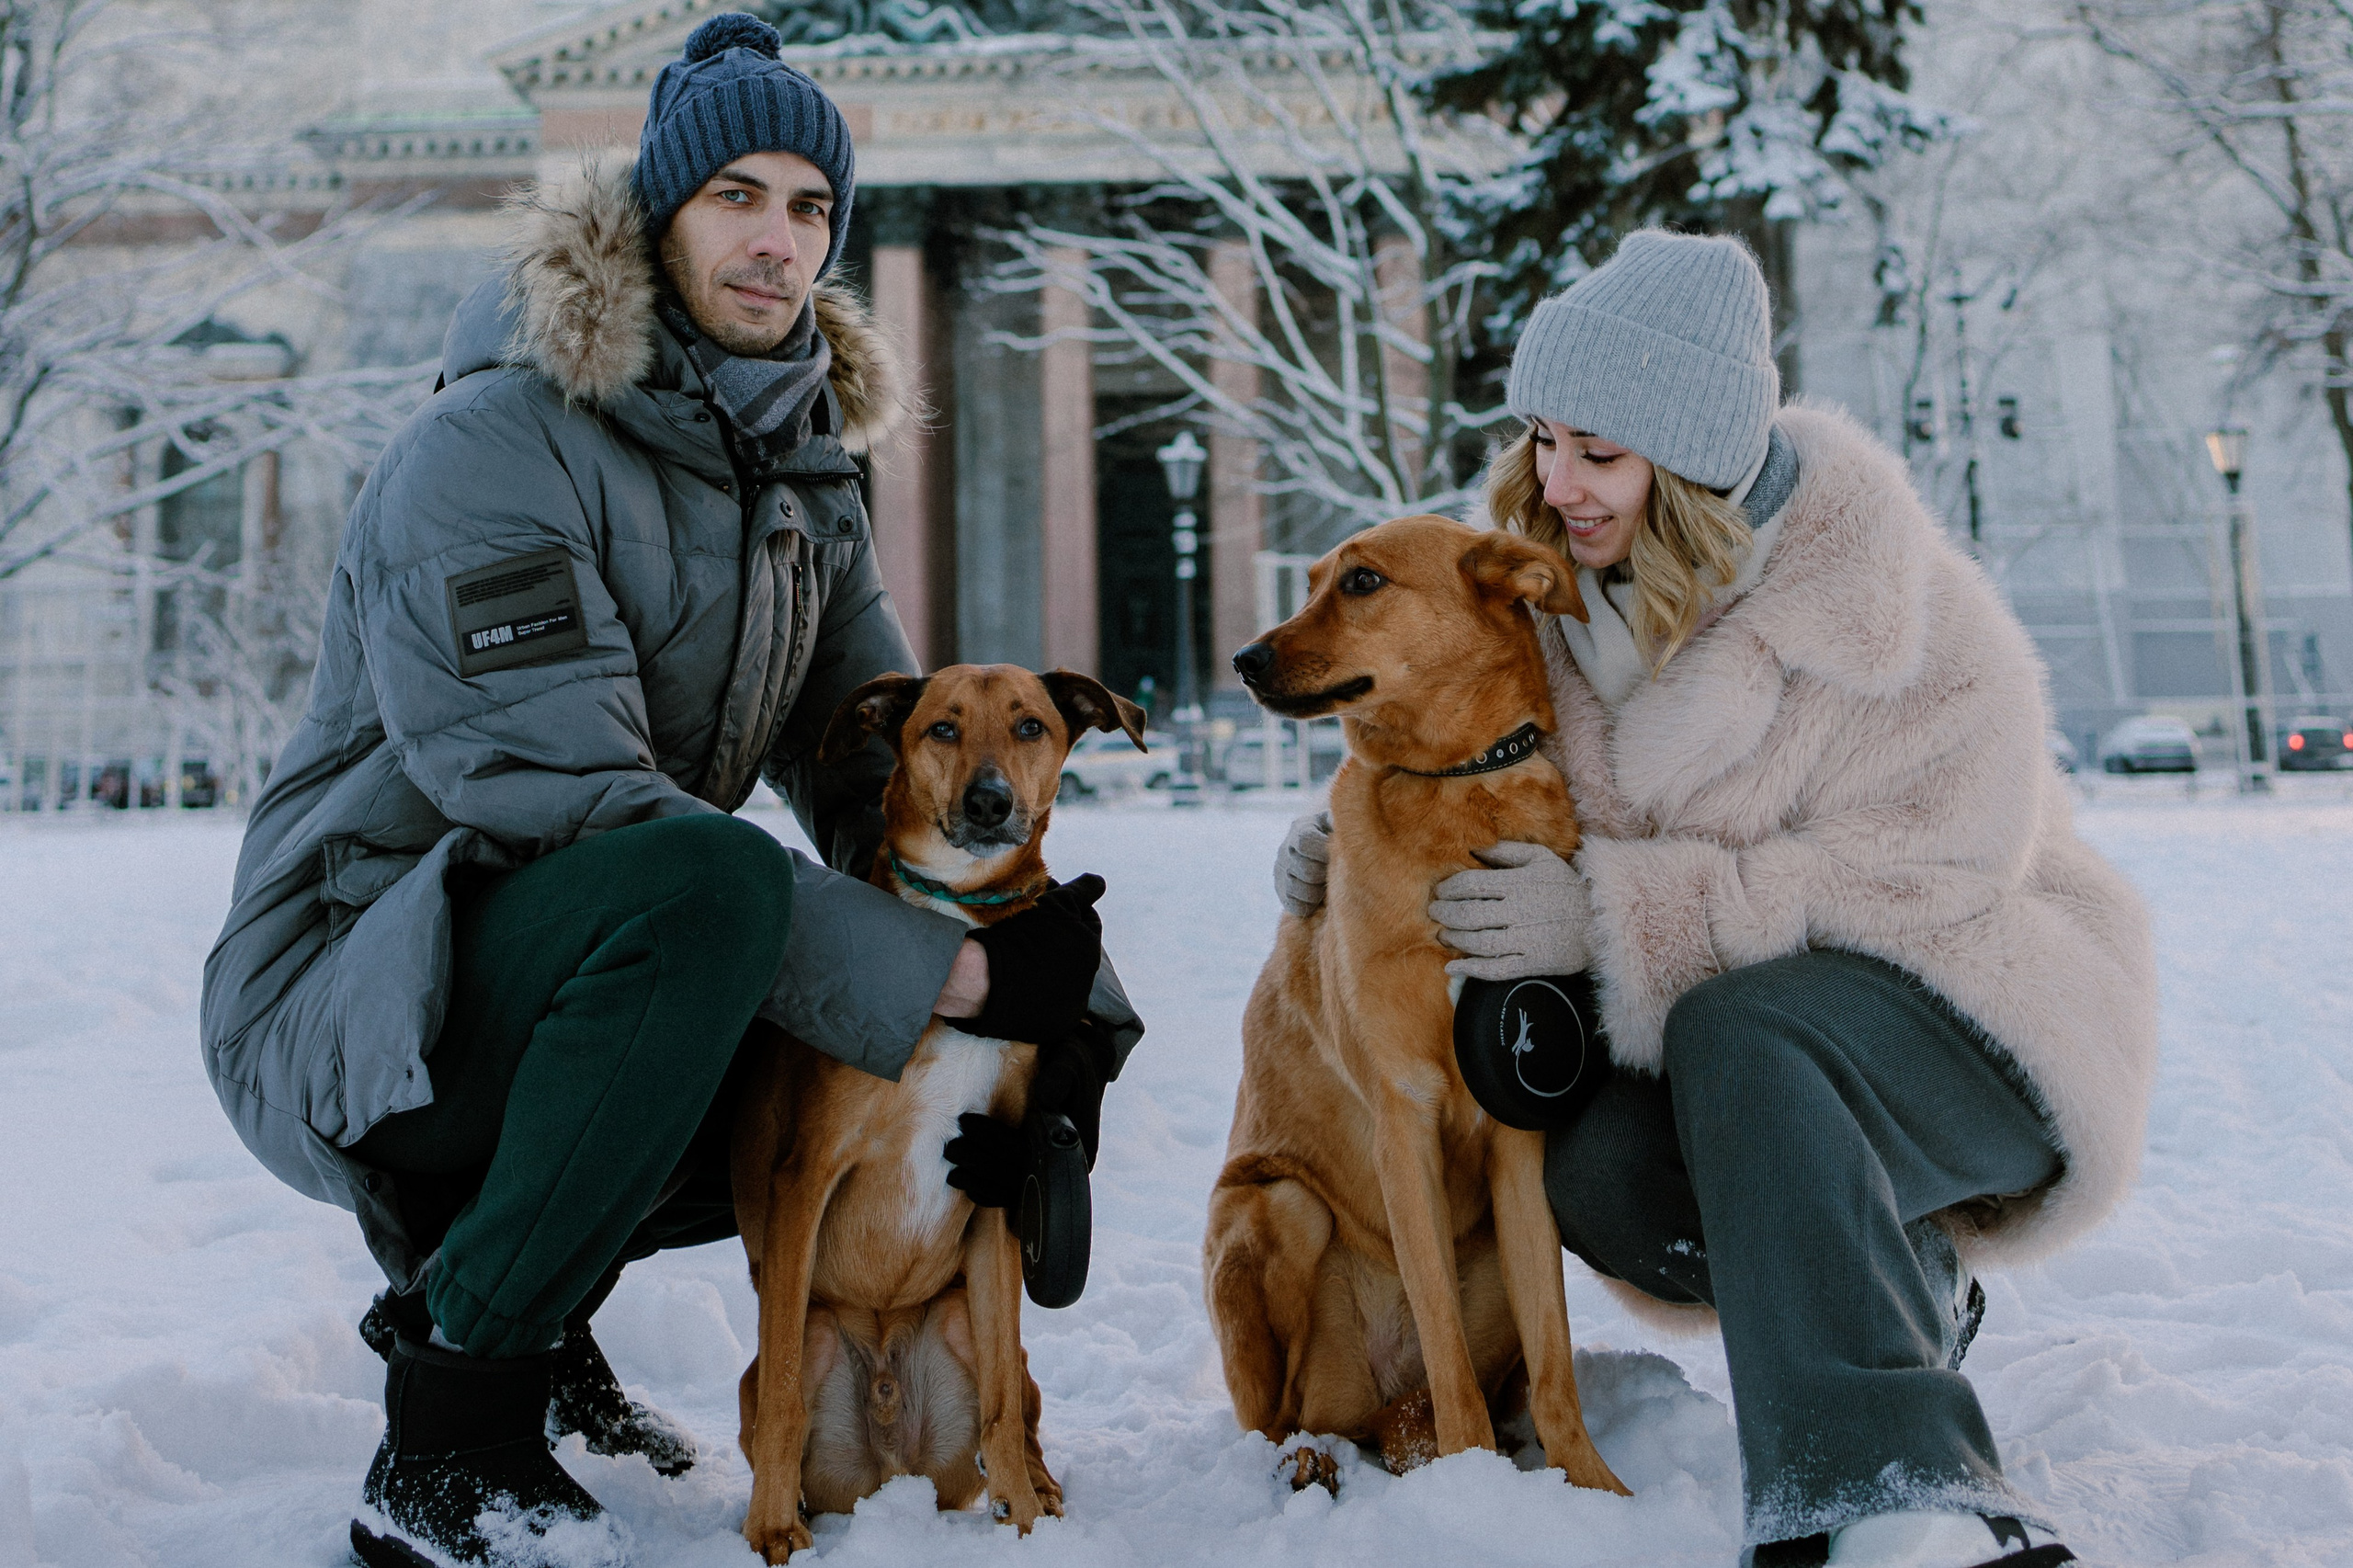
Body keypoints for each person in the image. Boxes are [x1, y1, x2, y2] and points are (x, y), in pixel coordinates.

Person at [198, 15, 1140, 1568]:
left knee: (793, 989)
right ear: (653, 216)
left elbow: (886, 782)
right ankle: (449, 1430)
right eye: (736, 197)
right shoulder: (492, 444)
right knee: (718, 899)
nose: (780, 242)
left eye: (812, 208)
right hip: (357, 985)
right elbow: (568, 800)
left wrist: (1069, 1018)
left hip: (566, 959)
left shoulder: (803, 482)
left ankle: (538, 1316)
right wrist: (959, 979)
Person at [1271, 231, 2155, 1568]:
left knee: (1742, 1025)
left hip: (1985, 1016)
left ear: (1690, 464)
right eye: (1544, 440)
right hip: (1760, 1069)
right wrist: (1359, 838)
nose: (1557, 482)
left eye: (1600, 452)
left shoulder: (1898, 613)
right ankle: (1899, 1283)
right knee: (1584, 1158)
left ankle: (1893, 1490)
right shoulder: (1559, 602)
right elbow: (1470, 740)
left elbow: (1929, 879)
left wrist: (1614, 917)